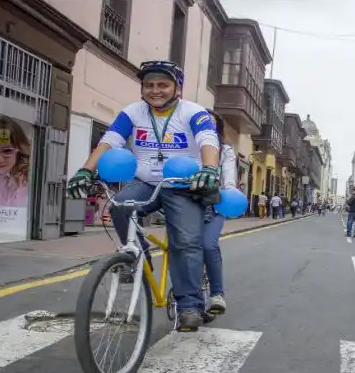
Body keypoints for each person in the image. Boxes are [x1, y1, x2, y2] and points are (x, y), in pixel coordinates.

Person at [66, 60, 221, 332]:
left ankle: (189, 305)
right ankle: (137, 258)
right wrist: (85, 170)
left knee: (186, 242)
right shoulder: (133, 112)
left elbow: (208, 140)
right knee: (119, 206)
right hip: (145, 182)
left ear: (177, 88)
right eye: (148, 85)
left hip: (182, 185)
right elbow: (110, 140)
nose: (155, 90)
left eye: (162, 84)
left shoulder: (194, 112)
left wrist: (208, 168)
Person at [199, 109, 237, 317]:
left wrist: (229, 190)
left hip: (214, 204)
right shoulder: (188, 146)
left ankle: (216, 294)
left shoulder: (225, 151)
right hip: (186, 203)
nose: (207, 128)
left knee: (208, 245)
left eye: (211, 124)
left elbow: (229, 178)